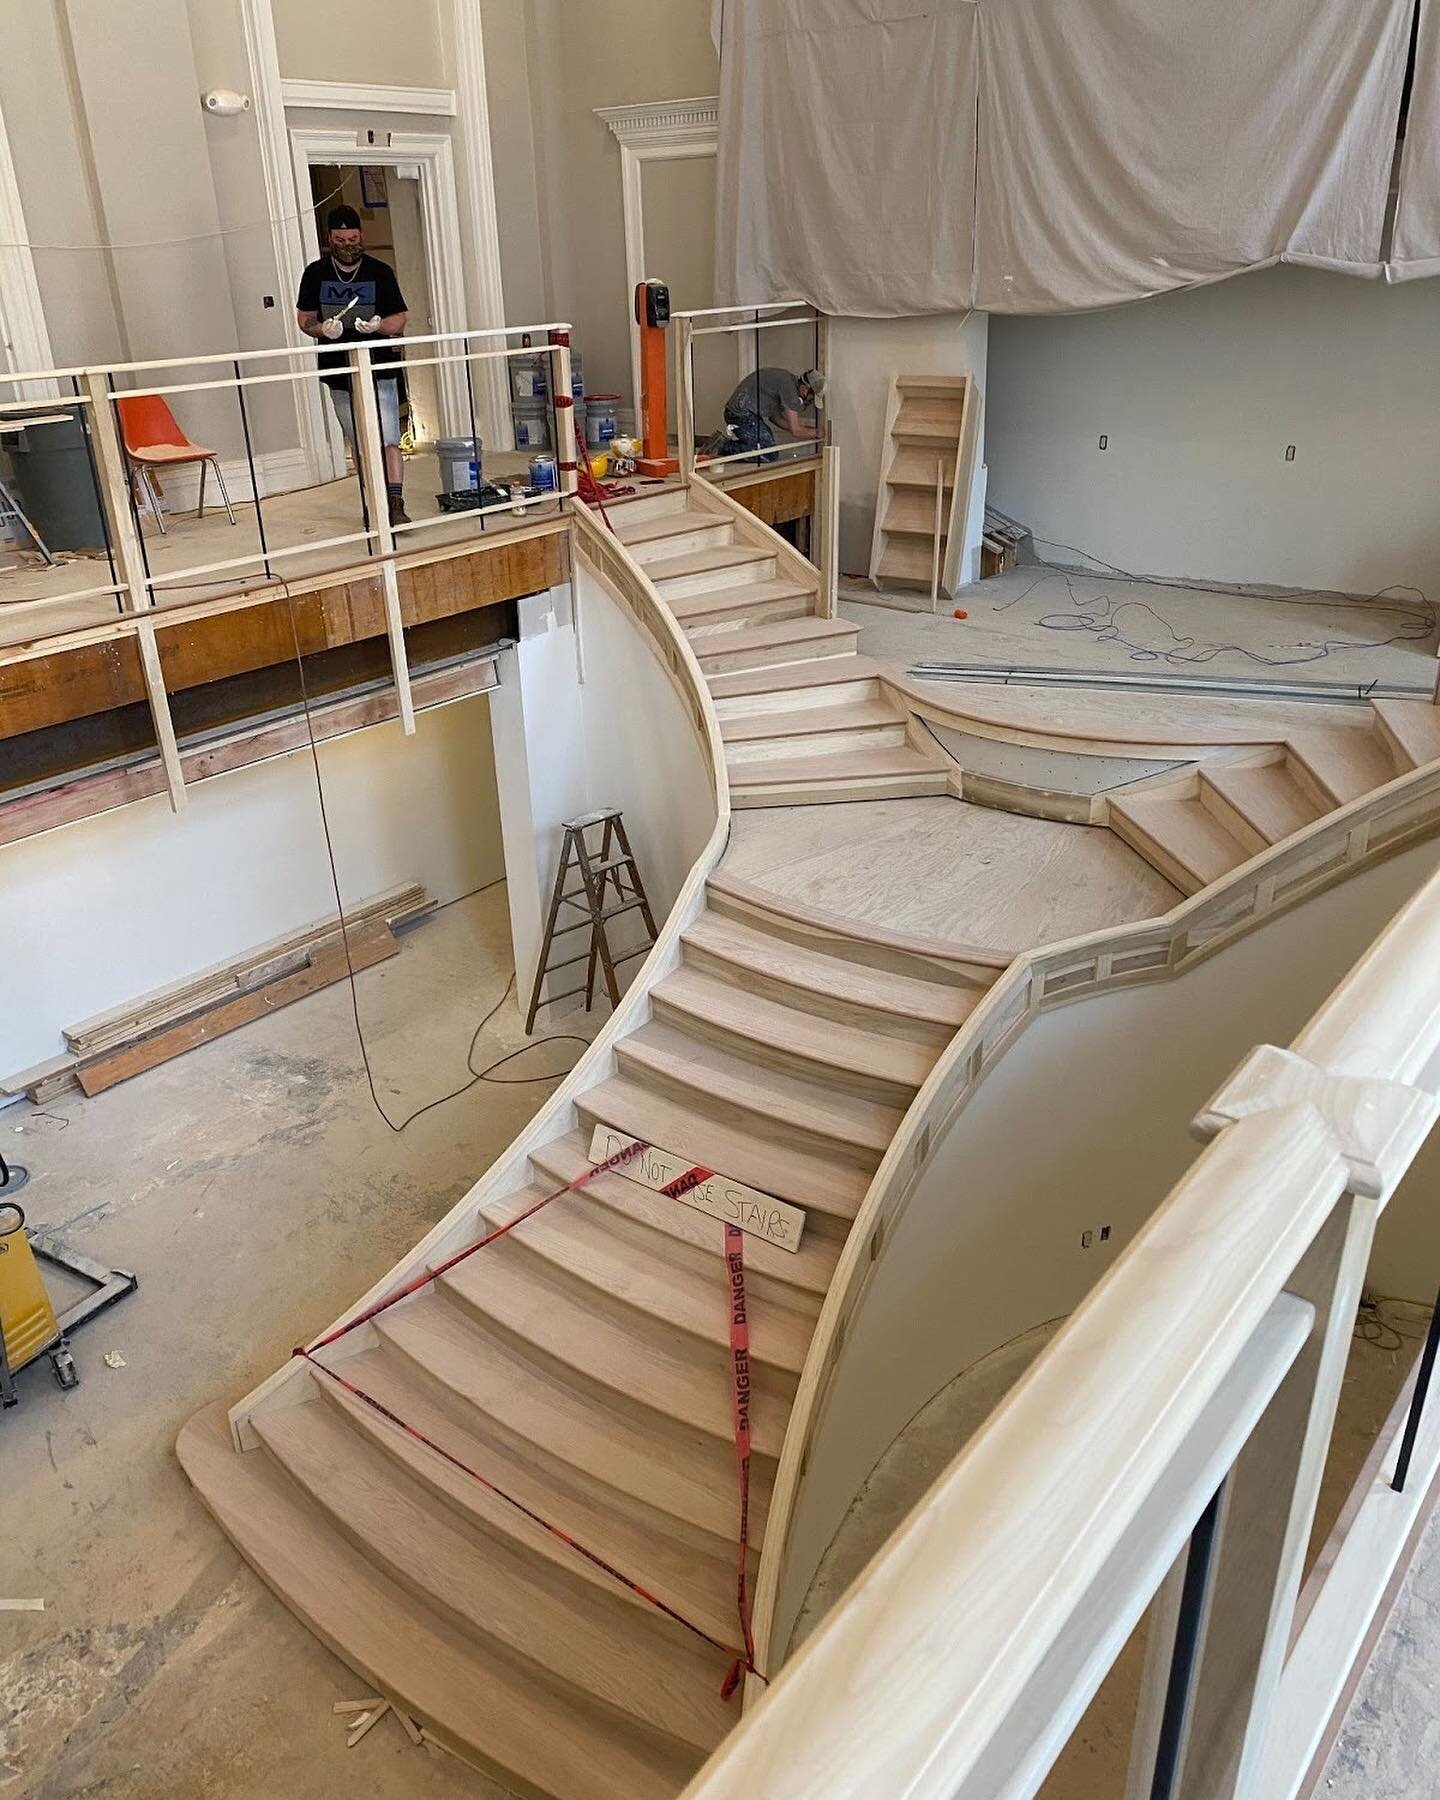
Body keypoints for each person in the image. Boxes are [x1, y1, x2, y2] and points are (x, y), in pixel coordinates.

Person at [296, 205, 410, 526]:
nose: (348, 244)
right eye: (341, 238)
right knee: (359, 440)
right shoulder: (315, 273)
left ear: (361, 237)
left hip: (381, 367)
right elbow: (304, 319)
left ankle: (396, 501)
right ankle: (372, 501)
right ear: (330, 239)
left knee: (388, 436)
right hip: (340, 370)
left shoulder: (381, 272)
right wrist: (321, 330)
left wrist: (379, 326)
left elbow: (399, 318)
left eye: (353, 238)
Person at [711, 366, 826, 459]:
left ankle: (721, 444)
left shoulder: (787, 382)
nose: (808, 403)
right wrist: (817, 433)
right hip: (739, 414)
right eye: (810, 399)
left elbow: (776, 419)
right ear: (804, 389)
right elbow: (796, 431)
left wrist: (806, 429)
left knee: (767, 447)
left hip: (742, 412)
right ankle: (721, 446)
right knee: (768, 453)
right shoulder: (790, 391)